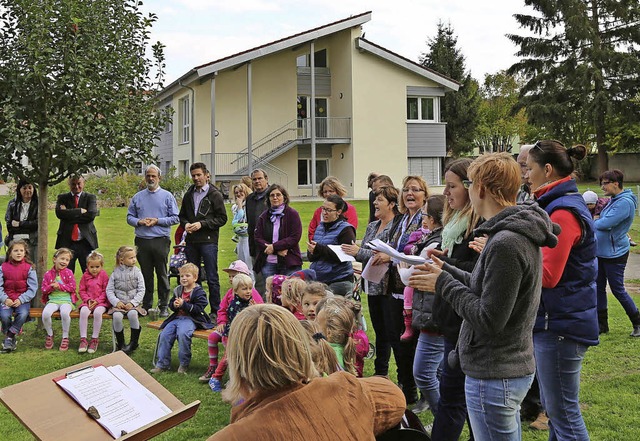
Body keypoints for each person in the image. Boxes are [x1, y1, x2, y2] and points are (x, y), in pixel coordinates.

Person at [410, 152, 559, 440]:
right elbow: (487, 287)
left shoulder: (506, 242)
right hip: (501, 368)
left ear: (480, 188)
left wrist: (443, 283)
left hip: (495, 371)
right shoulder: (507, 234)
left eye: (468, 182)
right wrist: (449, 271)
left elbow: (489, 318)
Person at [207, 304, 405, 441]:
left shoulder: (233, 436)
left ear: (237, 362)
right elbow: (393, 396)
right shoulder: (346, 389)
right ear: (299, 347)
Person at [525, 140, 599, 440]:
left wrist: (508, 257)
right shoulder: (554, 204)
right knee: (558, 416)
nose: (525, 175)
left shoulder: (563, 213)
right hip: (556, 321)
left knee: (564, 415)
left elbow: (549, 275)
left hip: (560, 326)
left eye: (529, 168)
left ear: (547, 169)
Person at [429, 158, 482, 441]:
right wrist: (441, 258)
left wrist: (444, 266)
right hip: (451, 318)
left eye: (452, 186)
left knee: (457, 397)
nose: (446, 193)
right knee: (459, 397)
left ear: (470, 186)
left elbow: (477, 274)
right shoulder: (454, 224)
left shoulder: (480, 225)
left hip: (466, 319)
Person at [341, 184, 401, 381]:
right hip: (372, 285)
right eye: (375, 199)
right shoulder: (372, 226)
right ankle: (380, 371)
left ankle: (385, 372)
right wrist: (360, 253)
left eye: (379, 200)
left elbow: (385, 254)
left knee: (391, 332)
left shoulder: (397, 227)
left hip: (389, 287)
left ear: (391, 204)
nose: (374, 203)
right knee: (379, 331)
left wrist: (358, 252)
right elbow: (370, 254)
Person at [407, 194, 445, 415]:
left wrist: (401, 264)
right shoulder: (432, 238)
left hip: (433, 314)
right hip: (430, 311)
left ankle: (444, 416)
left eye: (424, 215)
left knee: (422, 372)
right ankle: (445, 418)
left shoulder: (436, 242)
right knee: (437, 372)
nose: (422, 219)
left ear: (432, 218)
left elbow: (410, 277)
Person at [127, 164, 179, 317]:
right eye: (148, 175)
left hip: (160, 239)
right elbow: (129, 217)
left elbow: (175, 217)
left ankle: (163, 305)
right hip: (142, 240)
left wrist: (158, 220)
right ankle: (146, 304)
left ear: (159, 178)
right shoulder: (138, 197)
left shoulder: (167, 196)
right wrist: (139, 222)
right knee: (145, 274)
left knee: (162, 273)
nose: (150, 178)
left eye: (153, 176)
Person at [179, 162, 228, 320]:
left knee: (212, 276)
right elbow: (182, 215)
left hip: (208, 241)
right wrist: (185, 223)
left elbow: (222, 218)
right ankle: (195, 308)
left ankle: (215, 310)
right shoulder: (189, 194)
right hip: (192, 241)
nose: (196, 178)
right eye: (193, 175)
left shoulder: (215, 194)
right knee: (193, 276)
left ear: (206, 175)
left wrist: (202, 224)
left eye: (198, 175)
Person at [594, 169, 640, 336]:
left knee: (617, 289)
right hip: (601, 252)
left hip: (615, 254)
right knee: (598, 288)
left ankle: (637, 322)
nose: (602, 186)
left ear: (616, 183)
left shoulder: (624, 202)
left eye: (605, 183)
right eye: (602, 183)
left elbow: (605, 223)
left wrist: (593, 222)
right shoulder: (614, 199)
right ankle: (602, 324)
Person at [200, 260, 262, 382]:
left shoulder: (251, 293)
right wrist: (222, 322)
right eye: (230, 276)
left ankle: (233, 375)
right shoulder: (230, 293)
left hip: (244, 330)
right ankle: (213, 366)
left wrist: (254, 308)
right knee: (212, 337)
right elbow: (222, 310)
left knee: (232, 352)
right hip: (228, 327)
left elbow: (261, 308)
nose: (231, 279)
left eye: (234, 276)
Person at [151, 263, 213, 374]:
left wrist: (184, 305)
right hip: (176, 318)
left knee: (183, 334)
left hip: (191, 319)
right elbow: (171, 304)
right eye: (181, 276)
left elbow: (199, 308)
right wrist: (174, 305)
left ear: (195, 278)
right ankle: (162, 364)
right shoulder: (178, 290)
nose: (184, 278)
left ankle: (184, 364)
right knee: (165, 335)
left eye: (187, 276)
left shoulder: (199, 292)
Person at [308, 195, 356, 297]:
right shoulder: (320, 227)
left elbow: (344, 255)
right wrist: (311, 251)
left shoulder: (346, 229)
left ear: (338, 212)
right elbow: (313, 256)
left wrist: (318, 249)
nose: (324, 213)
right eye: (323, 209)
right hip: (319, 279)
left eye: (328, 210)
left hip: (339, 280)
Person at [254, 184, 303, 279]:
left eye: (278, 195)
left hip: (289, 262)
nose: (275, 197)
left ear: (284, 197)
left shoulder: (292, 214)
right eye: (272, 195)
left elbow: (295, 237)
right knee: (271, 292)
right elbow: (257, 237)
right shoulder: (264, 216)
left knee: (289, 291)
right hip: (269, 263)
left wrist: (274, 247)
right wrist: (276, 250)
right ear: (268, 199)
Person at [55, 175, 99, 275]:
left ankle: (88, 291)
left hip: (85, 241)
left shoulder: (90, 198)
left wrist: (68, 214)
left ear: (83, 183)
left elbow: (91, 215)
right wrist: (79, 211)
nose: (76, 187)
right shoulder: (62, 198)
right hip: (67, 241)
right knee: (66, 273)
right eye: (73, 184)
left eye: (79, 183)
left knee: (89, 273)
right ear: (69, 184)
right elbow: (60, 214)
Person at [107, 245, 146, 355]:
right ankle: (121, 344)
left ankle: (134, 343)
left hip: (133, 303)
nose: (134, 260)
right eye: (130, 258)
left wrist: (133, 302)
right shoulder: (115, 273)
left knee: (132, 315)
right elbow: (109, 290)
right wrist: (116, 302)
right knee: (117, 317)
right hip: (119, 304)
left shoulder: (137, 272)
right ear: (122, 260)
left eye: (134, 257)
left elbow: (141, 290)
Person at [0, 240, 37, 352]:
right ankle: (10, 336)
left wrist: (21, 299)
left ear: (25, 253)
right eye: (15, 250)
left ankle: (9, 336)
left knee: (23, 314)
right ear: (10, 253)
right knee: (5, 315)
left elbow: (33, 288)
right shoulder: (3, 267)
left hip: (22, 300)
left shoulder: (29, 268)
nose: (19, 253)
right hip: (7, 299)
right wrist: (5, 299)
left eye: (21, 250)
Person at [41, 248, 78, 351]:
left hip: (66, 300)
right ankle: (50, 334)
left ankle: (65, 337)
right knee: (46, 314)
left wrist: (60, 286)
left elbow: (72, 288)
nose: (64, 262)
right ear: (54, 259)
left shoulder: (69, 272)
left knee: (65, 313)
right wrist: (51, 287)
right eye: (62, 258)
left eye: (67, 260)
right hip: (53, 300)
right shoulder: (48, 274)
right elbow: (43, 289)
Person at [307, 176, 359, 241]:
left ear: (338, 191)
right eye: (325, 192)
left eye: (331, 191)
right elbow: (311, 230)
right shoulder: (318, 211)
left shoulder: (349, 209)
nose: (328, 194)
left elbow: (350, 230)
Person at [77, 251, 110, 354]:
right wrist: (87, 300)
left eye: (97, 266)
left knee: (97, 313)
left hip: (101, 303)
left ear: (101, 266)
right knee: (83, 312)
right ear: (88, 266)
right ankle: (83, 339)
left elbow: (106, 291)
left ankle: (94, 339)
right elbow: (82, 290)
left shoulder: (104, 275)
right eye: (92, 267)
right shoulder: (85, 276)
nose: (94, 269)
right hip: (88, 302)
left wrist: (98, 301)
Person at [246, 169, 270, 293]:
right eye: (254, 179)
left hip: (270, 245)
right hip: (255, 246)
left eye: (260, 178)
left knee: (272, 281)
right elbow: (250, 223)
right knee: (259, 280)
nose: (257, 181)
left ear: (266, 179)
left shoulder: (273, 196)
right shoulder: (250, 199)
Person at [5, 180, 38, 259]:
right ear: (19, 190)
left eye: (30, 188)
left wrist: (19, 224)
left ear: (33, 189)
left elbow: (37, 224)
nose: (27, 190)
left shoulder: (38, 204)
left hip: (31, 239)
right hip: (15, 238)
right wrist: (28, 225)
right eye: (24, 188)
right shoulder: (12, 204)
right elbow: (9, 224)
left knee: (31, 265)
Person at [231, 183, 253, 272]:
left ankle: (252, 285)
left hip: (249, 238)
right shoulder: (234, 207)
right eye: (236, 193)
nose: (238, 194)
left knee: (249, 265)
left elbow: (241, 220)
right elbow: (236, 222)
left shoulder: (250, 205)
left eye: (241, 191)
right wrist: (239, 206)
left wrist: (240, 206)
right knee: (241, 265)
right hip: (240, 237)